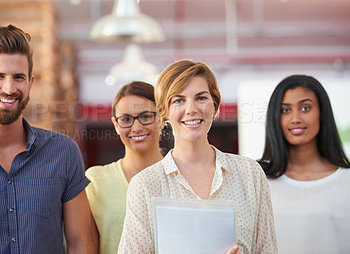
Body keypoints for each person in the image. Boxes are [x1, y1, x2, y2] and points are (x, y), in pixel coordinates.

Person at [0, 24, 98, 253]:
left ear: (30, 83)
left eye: (18, 77)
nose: (9, 88)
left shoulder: (63, 153)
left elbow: (82, 244)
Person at [118, 60, 277, 254]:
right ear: (164, 112)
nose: (191, 109)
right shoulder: (144, 185)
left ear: (215, 107)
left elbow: (267, 250)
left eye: (201, 98)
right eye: (178, 100)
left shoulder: (249, 174)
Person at [258, 74, 350, 254]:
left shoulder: (346, 181)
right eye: (285, 110)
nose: (295, 118)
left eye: (305, 108)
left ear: (322, 114)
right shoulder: (258, 180)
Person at [86, 81, 164, 254]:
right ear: (115, 125)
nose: (136, 127)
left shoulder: (181, 175)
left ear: (162, 118)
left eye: (145, 116)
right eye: (126, 119)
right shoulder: (95, 182)